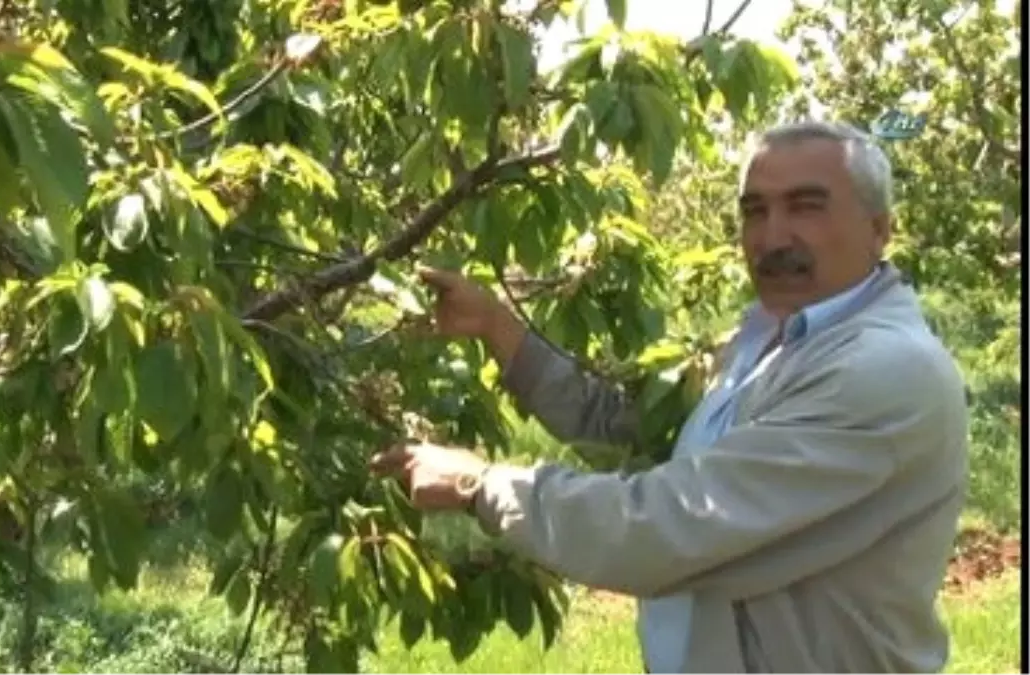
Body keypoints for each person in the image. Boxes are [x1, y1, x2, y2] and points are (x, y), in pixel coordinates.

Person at [369, 120, 969, 675]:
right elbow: (631, 427)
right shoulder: (767, 342)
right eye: (754, 211)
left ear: (880, 228)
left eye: (806, 207)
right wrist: (497, 326)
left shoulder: (881, 371)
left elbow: (664, 528)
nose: (772, 236)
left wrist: (481, 486)